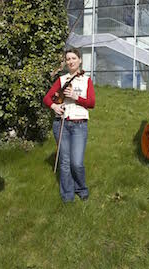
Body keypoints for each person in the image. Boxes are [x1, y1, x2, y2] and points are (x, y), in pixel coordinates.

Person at [43, 48, 95, 202]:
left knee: (77, 162)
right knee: (65, 162)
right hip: (62, 124)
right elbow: (47, 98)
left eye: (73, 58)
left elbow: (91, 103)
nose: (71, 61)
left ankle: (81, 188)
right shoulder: (62, 79)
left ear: (79, 60)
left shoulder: (86, 80)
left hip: (79, 125)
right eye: (68, 59)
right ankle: (67, 195)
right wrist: (55, 107)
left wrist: (75, 96)